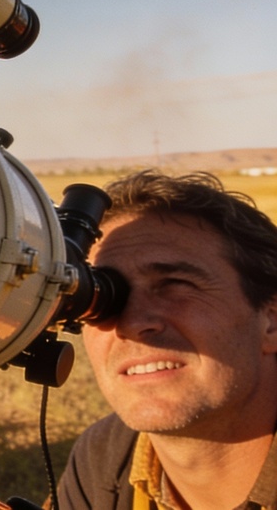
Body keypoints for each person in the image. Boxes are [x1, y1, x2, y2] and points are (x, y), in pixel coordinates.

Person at [57, 170, 277, 509]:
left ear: (271, 322)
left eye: (175, 285)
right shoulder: (107, 458)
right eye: (105, 297)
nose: (132, 323)